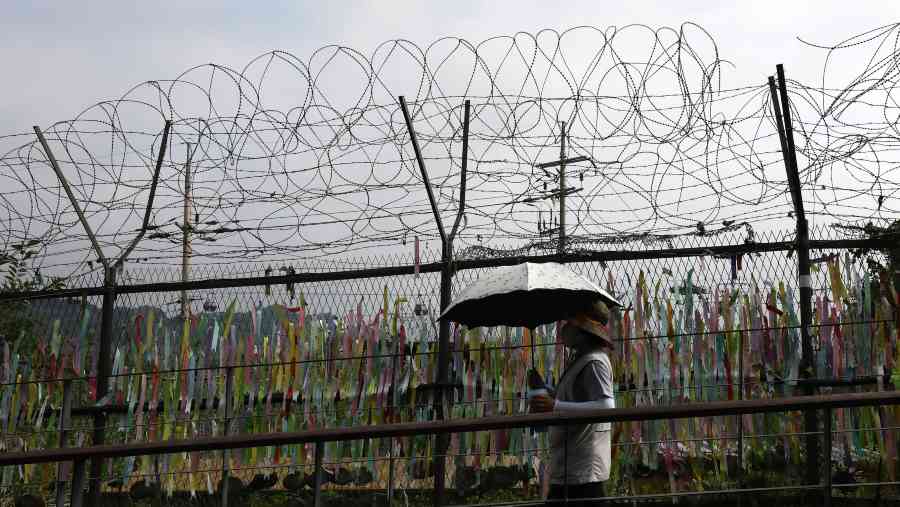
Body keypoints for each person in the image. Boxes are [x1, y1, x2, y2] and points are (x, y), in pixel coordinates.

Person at [530, 300, 615, 507]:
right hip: (570, 465)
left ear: (583, 330)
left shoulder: (595, 362)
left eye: (570, 323)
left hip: (583, 471)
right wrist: (548, 391)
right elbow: (576, 397)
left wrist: (555, 406)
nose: (565, 328)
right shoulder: (581, 359)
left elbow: (606, 407)